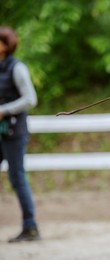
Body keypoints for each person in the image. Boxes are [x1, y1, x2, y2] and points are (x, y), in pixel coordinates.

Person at [0, 26, 40, 242]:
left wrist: (4, 111)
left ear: (6, 45)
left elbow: (30, 99)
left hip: (14, 132)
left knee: (17, 177)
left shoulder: (17, 68)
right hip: (1, 131)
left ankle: (30, 226)